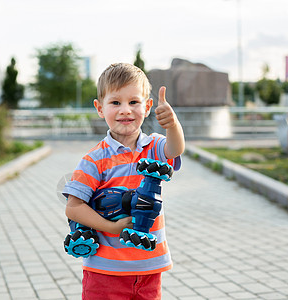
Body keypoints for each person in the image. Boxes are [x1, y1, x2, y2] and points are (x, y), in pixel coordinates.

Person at [63, 63, 185, 299]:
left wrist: (173, 125)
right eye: (115, 102)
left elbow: (175, 148)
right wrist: (112, 227)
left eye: (134, 102)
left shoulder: (155, 147)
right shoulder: (94, 159)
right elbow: (73, 207)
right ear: (100, 108)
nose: (125, 110)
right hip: (105, 271)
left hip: (150, 268)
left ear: (148, 106)